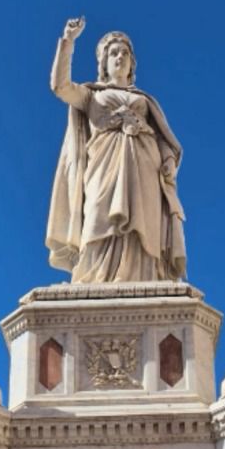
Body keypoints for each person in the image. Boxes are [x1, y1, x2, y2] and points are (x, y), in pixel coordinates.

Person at [46, 17, 187, 283]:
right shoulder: (91, 95)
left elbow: (162, 138)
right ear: (104, 62)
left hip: (145, 164)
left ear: (132, 63)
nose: (119, 57)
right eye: (113, 53)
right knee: (98, 216)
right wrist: (68, 42)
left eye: (124, 53)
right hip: (103, 163)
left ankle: (143, 276)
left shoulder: (144, 100)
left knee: (142, 221)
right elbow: (60, 87)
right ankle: (93, 276)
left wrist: (168, 159)